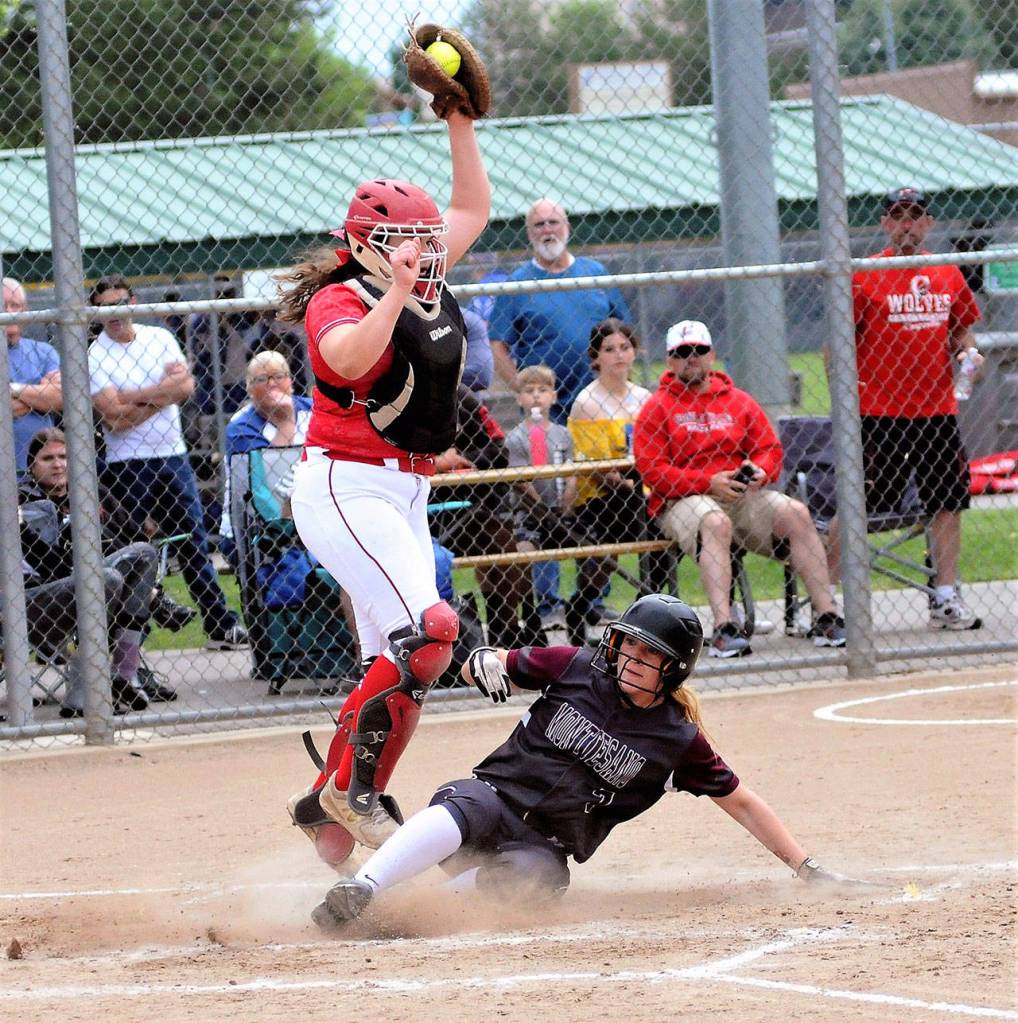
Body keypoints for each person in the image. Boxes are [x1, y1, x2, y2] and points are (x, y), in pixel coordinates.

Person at [309, 593, 841, 931]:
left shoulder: (676, 739)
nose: (632, 659)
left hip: (544, 845)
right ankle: (366, 888)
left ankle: (399, 915)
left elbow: (743, 803)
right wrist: (481, 663)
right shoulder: (576, 667)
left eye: (650, 655)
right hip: (493, 801)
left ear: (674, 670)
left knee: (538, 881)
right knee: (462, 803)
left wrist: (805, 867)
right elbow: (492, 664)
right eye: (628, 645)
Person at [276, 107, 491, 855]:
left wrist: (461, 120)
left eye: (427, 240)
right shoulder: (341, 296)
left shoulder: (420, 270)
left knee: (398, 661)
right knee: (433, 631)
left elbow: (472, 208)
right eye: (408, 240)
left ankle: (324, 803)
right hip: (345, 486)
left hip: (406, 490)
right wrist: (396, 291)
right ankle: (352, 793)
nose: (428, 251)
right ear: (365, 246)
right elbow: (344, 360)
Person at [634, 321, 845, 658]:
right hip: (684, 500)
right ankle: (723, 627)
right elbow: (653, 471)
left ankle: (827, 616)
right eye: (682, 352)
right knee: (715, 522)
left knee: (796, 512)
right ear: (670, 361)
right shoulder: (656, 408)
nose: (692, 358)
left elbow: (770, 449)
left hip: (742, 494)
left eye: (699, 350)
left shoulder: (738, 401)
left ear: (712, 355)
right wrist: (706, 482)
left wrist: (760, 471)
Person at [827, 187, 984, 631]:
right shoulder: (865, 275)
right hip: (880, 412)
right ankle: (828, 601)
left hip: (937, 411)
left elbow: (962, 333)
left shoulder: (946, 272)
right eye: (897, 216)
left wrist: (970, 355)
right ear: (885, 224)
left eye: (915, 216)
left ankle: (946, 596)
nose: (907, 224)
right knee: (858, 502)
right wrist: (844, 401)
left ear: (929, 223)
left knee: (948, 501)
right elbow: (836, 344)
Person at [88, 274, 248, 650]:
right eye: (105, 307)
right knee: (130, 550)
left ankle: (220, 626)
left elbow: (186, 388)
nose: (114, 314)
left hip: (171, 456)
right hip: (126, 463)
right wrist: (162, 395)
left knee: (193, 543)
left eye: (120, 304)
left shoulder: (158, 337)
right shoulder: (95, 354)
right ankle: (128, 640)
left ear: (134, 301)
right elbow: (113, 417)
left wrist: (134, 397)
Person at [18, 428, 183, 715]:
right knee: (109, 579)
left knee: (140, 555)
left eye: (63, 456)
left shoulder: (90, 492)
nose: (57, 464)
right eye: (48, 458)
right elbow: (50, 566)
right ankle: (116, 672)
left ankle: (121, 674)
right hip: (39, 596)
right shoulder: (21, 501)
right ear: (32, 465)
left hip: (92, 583)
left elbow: (131, 538)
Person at [488, 199, 630, 424]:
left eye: (553, 222)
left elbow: (623, 330)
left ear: (566, 226)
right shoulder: (517, 284)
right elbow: (496, 344)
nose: (547, 229)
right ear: (529, 233)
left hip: (600, 398)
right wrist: (522, 387)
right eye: (539, 224)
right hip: (546, 409)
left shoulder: (594, 272)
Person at [566, 318, 652, 645]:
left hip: (642, 490)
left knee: (654, 515)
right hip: (602, 498)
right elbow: (596, 466)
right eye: (609, 349)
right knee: (632, 507)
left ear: (634, 352)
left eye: (625, 348)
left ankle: (654, 609)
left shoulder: (644, 398)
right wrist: (632, 484)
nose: (618, 355)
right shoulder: (587, 402)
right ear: (596, 356)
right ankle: (580, 608)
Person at [430, 385, 531, 650]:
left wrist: (463, 460)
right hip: (418, 515)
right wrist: (436, 464)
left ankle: (503, 643)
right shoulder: (396, 394)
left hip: (468, 510)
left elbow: (499, 450)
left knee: (506, 553)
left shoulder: (461, 397)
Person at [505, 365, 578, 629]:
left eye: (543, 390)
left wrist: (567, 501)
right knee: (534, 550)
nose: (536, 396)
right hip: (531, 514)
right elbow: (521, 481)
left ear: (554, 396)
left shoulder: (562, 433)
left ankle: (584, 603)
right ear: (519, 399)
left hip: (562, 509)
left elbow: (572, 472)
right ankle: (546, 605)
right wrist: (543, 511)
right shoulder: (516, 437)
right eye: (529, 391)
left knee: (589, 546)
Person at [221, 350, 313, 553]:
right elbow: (265, 490)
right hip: (256, 526)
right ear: (249, 388)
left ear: (290, 381)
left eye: (279, 376)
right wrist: (285, 423)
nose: (272, 384)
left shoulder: (313, 411)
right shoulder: (241, 426)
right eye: (262, 379)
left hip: (310, 515)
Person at [3, 277, 63, 474]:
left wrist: (12, 389)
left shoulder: (43, 352)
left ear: (26, 310)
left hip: (40, 477)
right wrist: (38, 399)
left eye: (15, 306)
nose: (10, 312)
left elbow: (59, 398)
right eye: (3, 306)